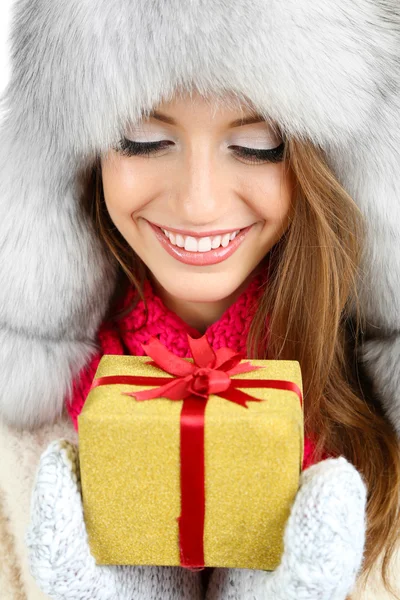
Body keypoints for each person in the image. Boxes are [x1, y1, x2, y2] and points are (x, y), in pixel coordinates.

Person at [0, 1, 400, 599]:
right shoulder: (17, 442)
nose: (198, 203)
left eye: (259, 144)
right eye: (144, 139)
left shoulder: (380, 434)